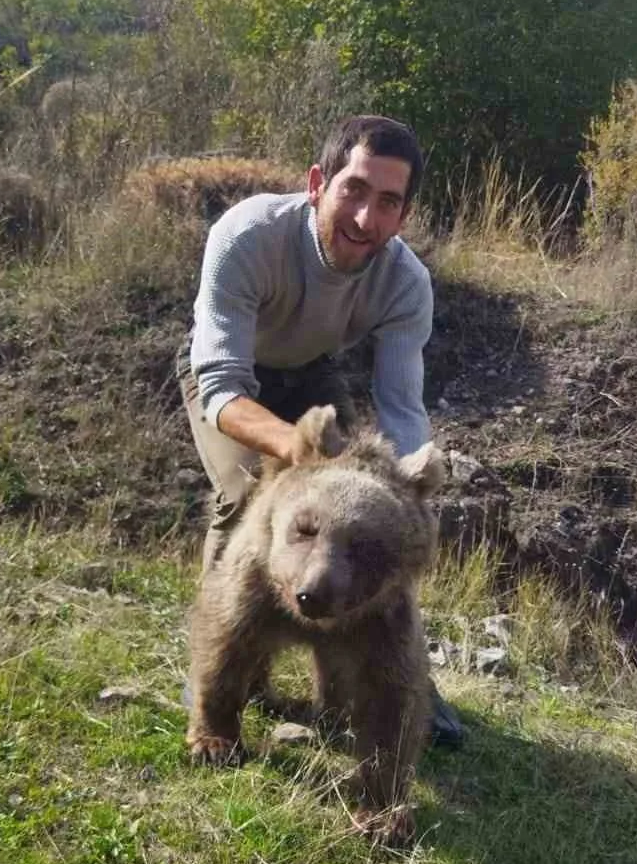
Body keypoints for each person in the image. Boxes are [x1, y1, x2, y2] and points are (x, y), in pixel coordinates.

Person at [176, 113, 464, 749]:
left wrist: (409, 495)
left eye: (388, 202)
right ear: (317, 183)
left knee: (356, 522)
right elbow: (222, 384)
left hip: (311, 372)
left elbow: (400, 408)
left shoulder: (405, 283)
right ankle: (220, 672)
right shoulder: (248, 235)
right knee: (250, 497)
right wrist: (299, 459)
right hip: (227, 376)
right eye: (354, 191)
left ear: (404, 214)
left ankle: (397, 678)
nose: (366, 219)